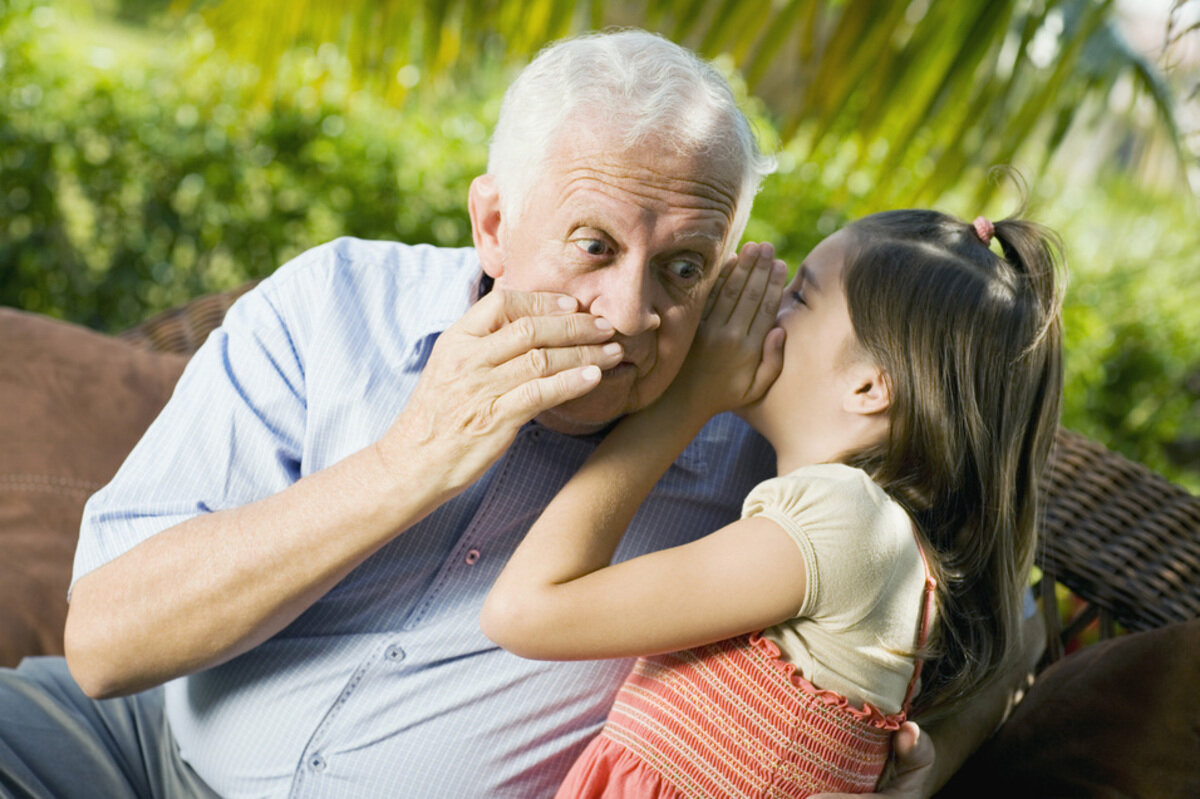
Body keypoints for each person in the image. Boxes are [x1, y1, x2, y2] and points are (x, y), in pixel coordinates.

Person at [0, 30, 1032, 799]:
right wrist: (412, 459)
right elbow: (105, 645)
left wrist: (928, 755)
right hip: (130, 746)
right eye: (593, 245)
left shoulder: (753, 437)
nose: (630, 315)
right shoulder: (338, 304)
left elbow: (995, 602)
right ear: (493, 223)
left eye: (683, 267)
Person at [482, 210, 1064, 797]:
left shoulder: (845, 521)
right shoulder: (866, 528)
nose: (765, 307)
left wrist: (686, 400)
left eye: (799, 298)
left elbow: (524, 613)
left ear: (868, 386)